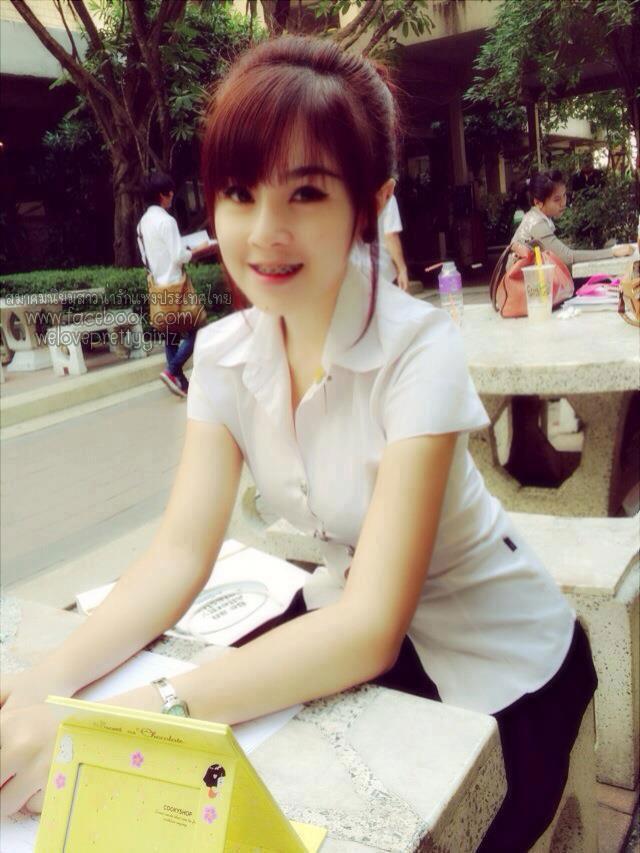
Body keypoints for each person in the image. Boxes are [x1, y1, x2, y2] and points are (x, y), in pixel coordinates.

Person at [1, 37, 598, 852]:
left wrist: (119, 726)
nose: (264, 232)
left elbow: (370, 627)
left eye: (307, 192)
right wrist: (44, 686)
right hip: (354, 624)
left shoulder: (418, 349)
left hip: (503, 664)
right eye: (239, 192)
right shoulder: (224, 356)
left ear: (369, 205)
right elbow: (178, 554)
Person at [137, 172, 214, 398]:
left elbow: (146, 258)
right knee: (197, 329)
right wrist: (199, 249)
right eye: (169, 192)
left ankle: (179, 382)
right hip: (175, 284)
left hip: (158, 285)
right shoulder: (167, 221)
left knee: (170, 334)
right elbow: (179, 256)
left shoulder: (142, 224)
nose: (172, 195)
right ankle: (171, 371)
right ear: (162, 195)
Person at [509, 170, 633, 267]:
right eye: (557, 199)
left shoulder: (536, 217)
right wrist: (612, 252)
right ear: (538, 202)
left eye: (564, 196)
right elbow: (567, 257)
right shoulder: (536, 224)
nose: (563, 203)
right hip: (522, 287)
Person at [352, 189, 410, 290]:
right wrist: (402, 269)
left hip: (354, 270)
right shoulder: (387, 195)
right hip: (382, 271)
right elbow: (390, 236)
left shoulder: (348, 196)